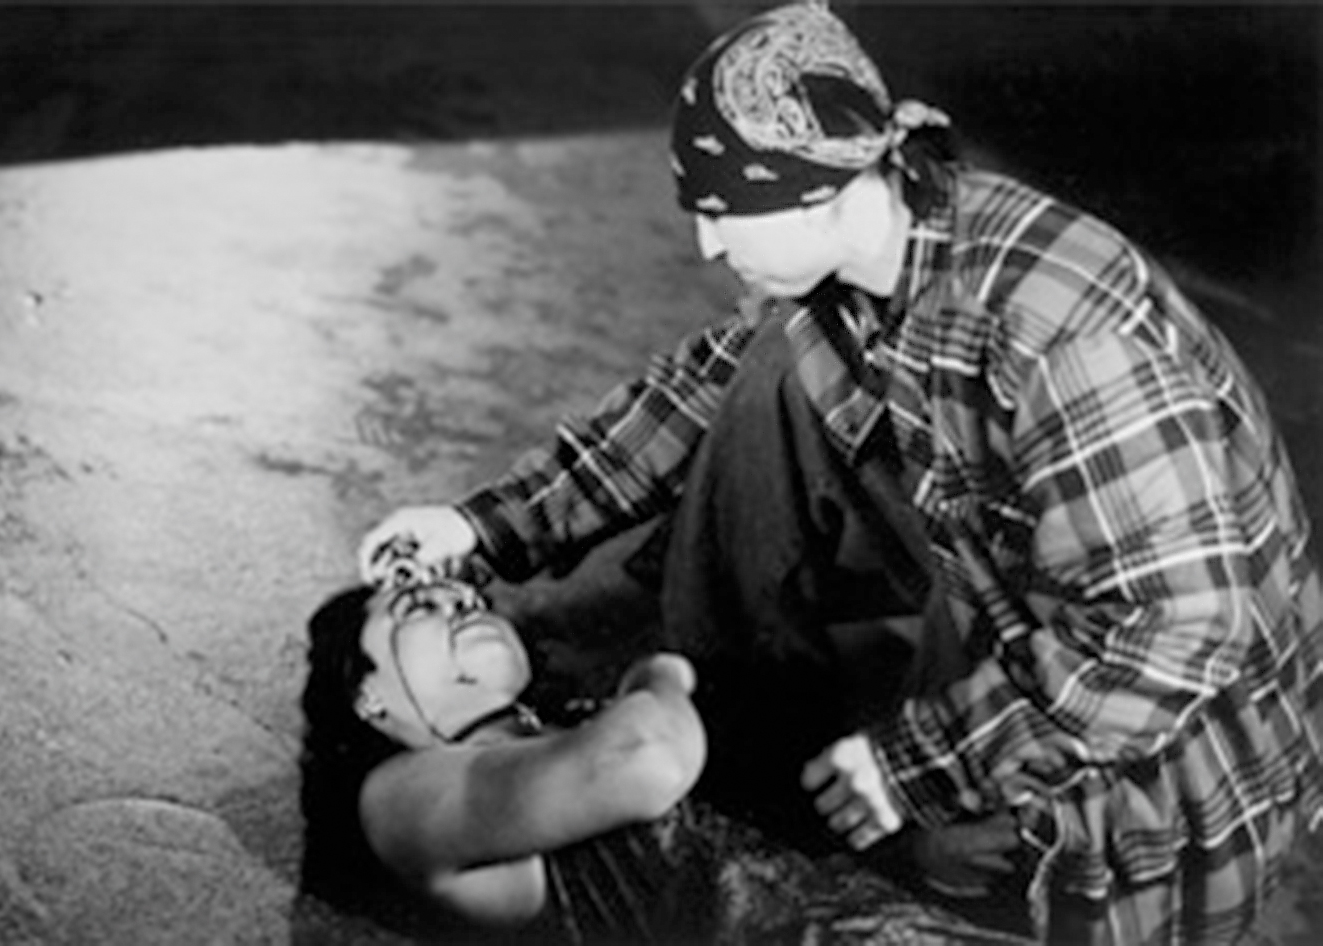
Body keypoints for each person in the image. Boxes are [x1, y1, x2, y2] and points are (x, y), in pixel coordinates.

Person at [357, 2, 1323, 943]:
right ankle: (755, 730)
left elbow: (1175, 639)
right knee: (772, 366)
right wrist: (487, 525)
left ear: (823, 194)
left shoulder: (1061, 336)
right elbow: (701, 386)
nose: (705, 243)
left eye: (722, 212)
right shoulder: (887, 242)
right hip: (1020, 580)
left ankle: (963, 841)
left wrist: (915, 771)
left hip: (1178, 733)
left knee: (947, 874)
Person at [298, 545, 714, 944]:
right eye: (419, 608)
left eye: (472, 602)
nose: (462, 608)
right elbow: (645, 755)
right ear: (366, 695)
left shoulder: (585, 717)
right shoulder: (396, 799)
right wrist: (660, 676)